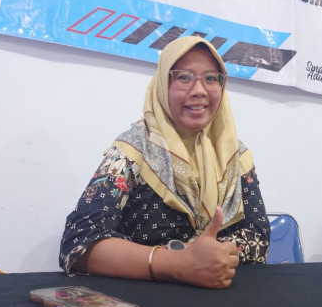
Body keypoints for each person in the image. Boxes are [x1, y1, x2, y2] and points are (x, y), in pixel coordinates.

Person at [59, 36, 270, 289]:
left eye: (211, 78)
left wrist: (210, 258)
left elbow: (258, 236)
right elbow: (79, 243)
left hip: (221, 296)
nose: (199, 90)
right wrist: (177, 262)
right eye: (184, 77)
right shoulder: (132, 151)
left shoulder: (236, 156)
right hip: (145, 299)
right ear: (162, 85)